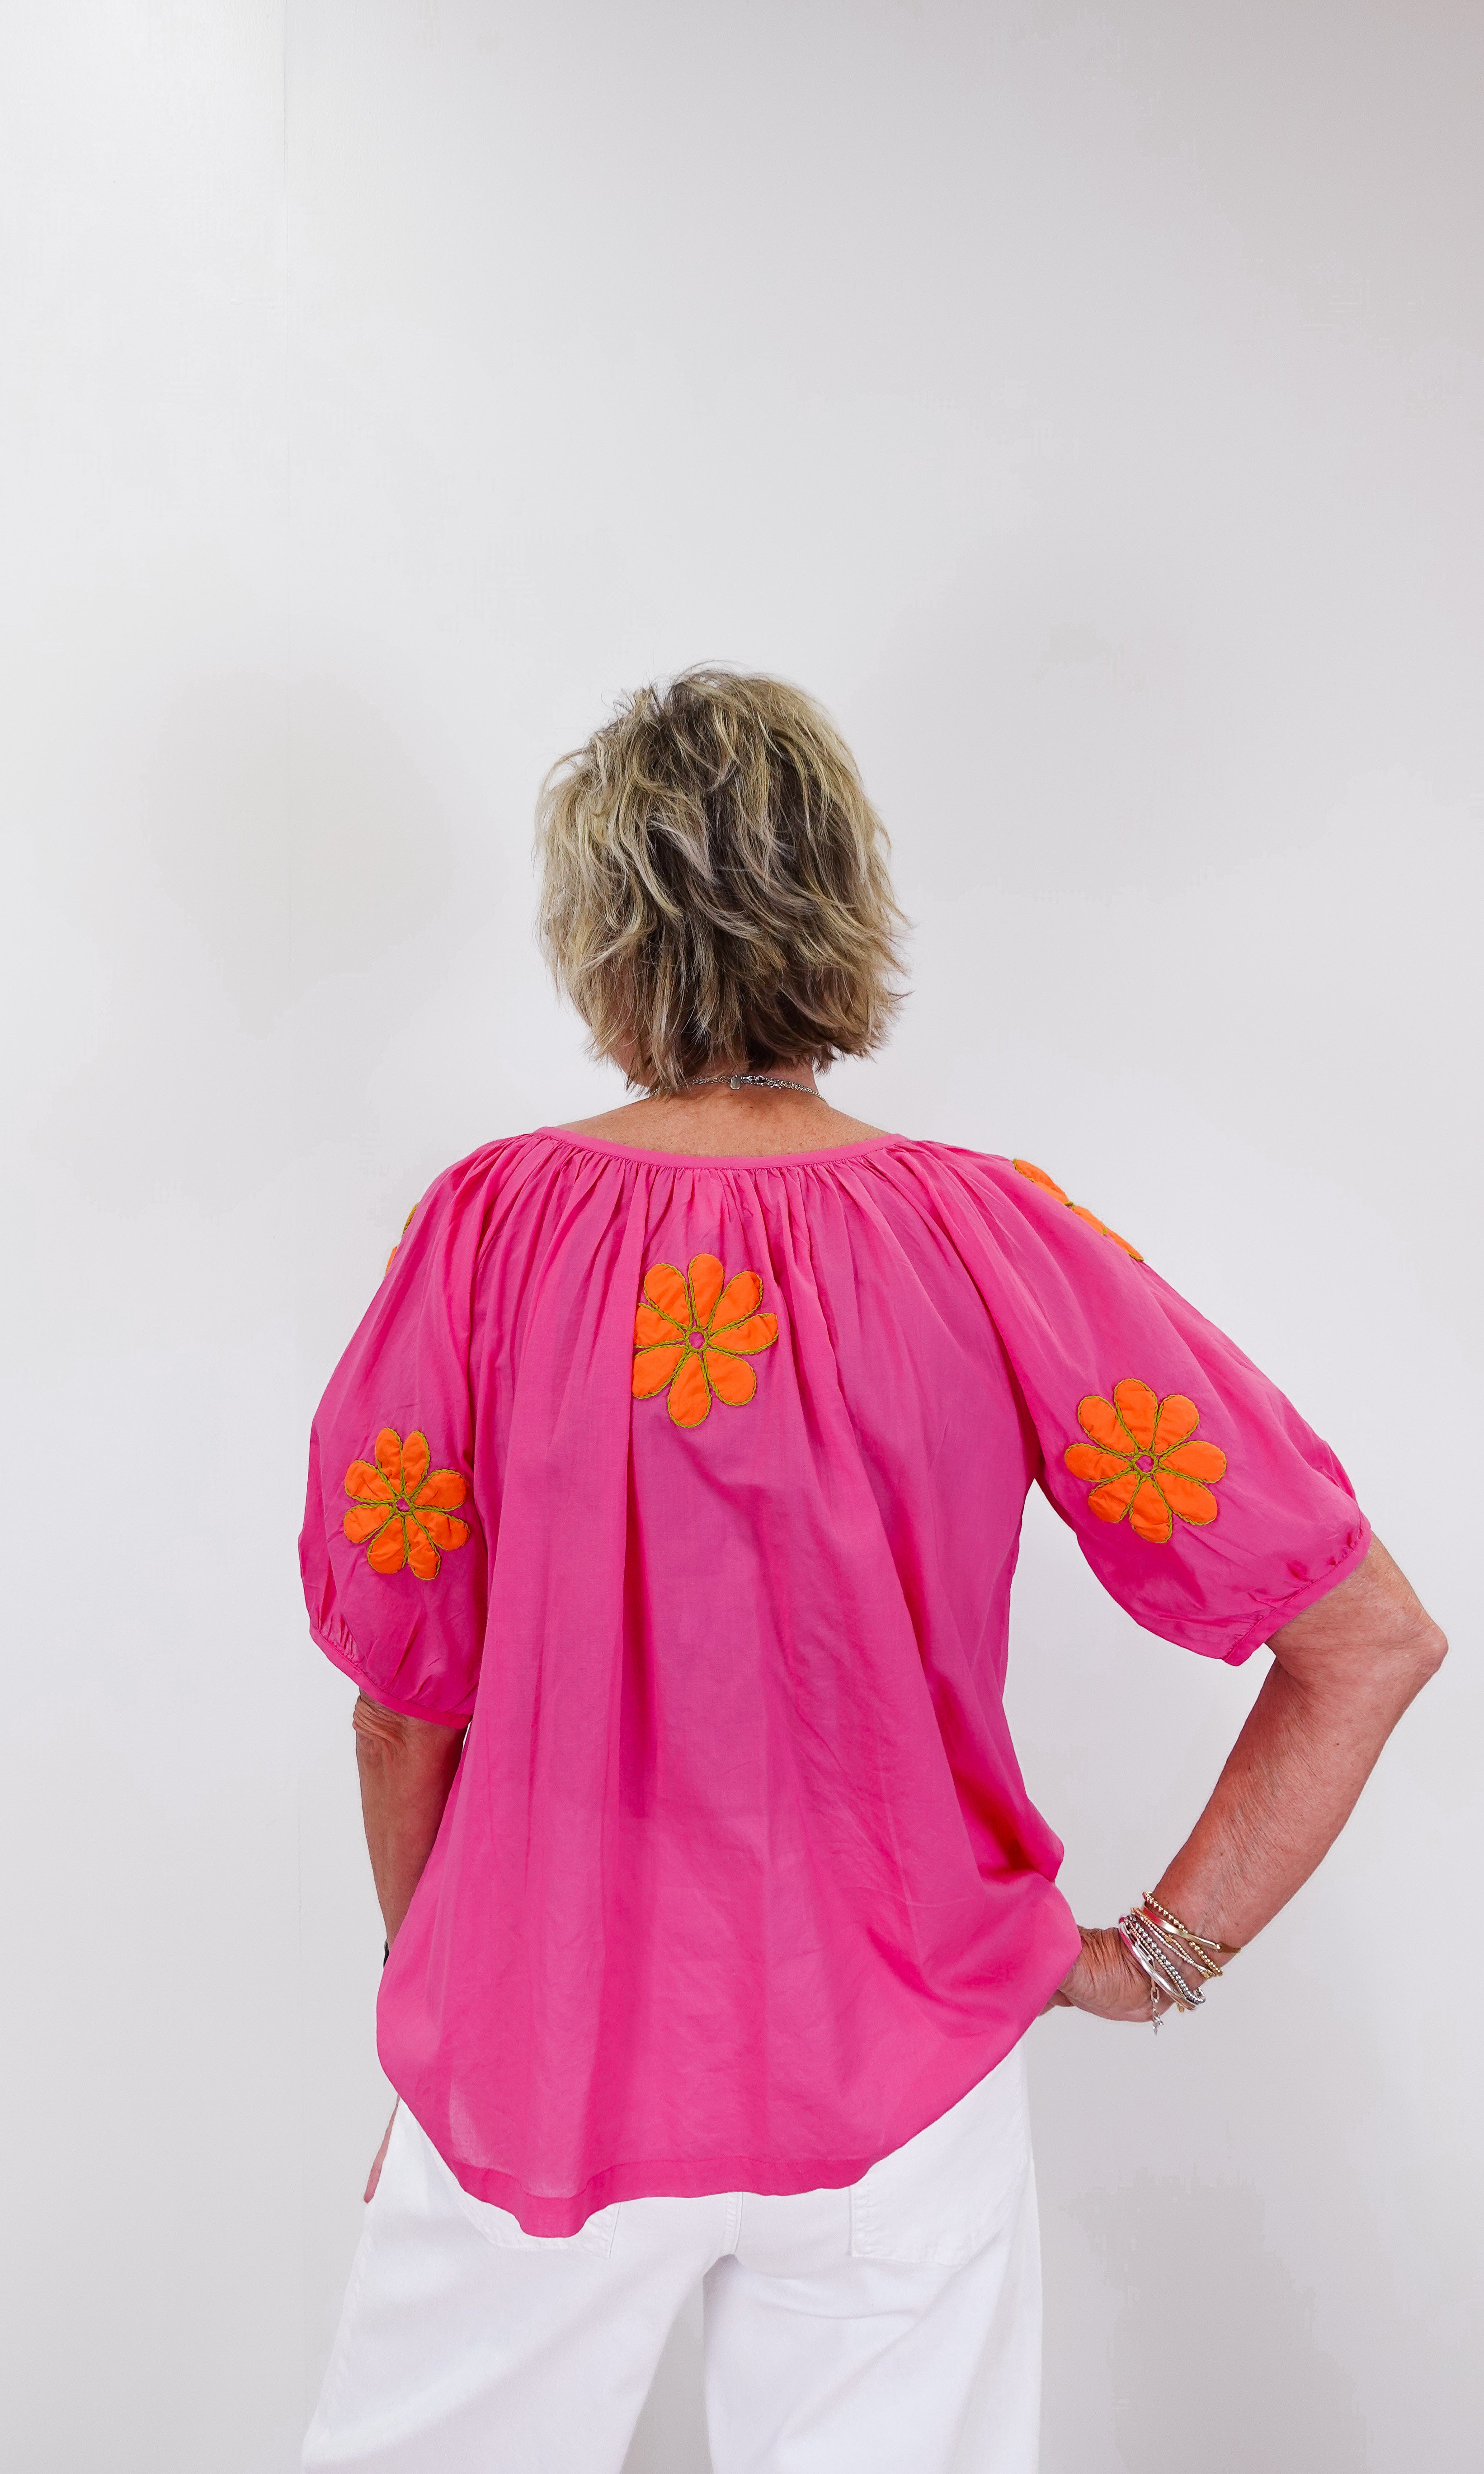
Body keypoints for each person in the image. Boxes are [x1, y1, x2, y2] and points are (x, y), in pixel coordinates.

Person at [296, 669, 1444, 2474]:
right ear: (844, 915)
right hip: (906, 2059)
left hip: (536, 2052)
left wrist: (436, 2014)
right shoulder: (995, 1236)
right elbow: (1364, 1637)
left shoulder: (491, 1229)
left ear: (600, 932)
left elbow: (400, 1707)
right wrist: (1159, 1959)